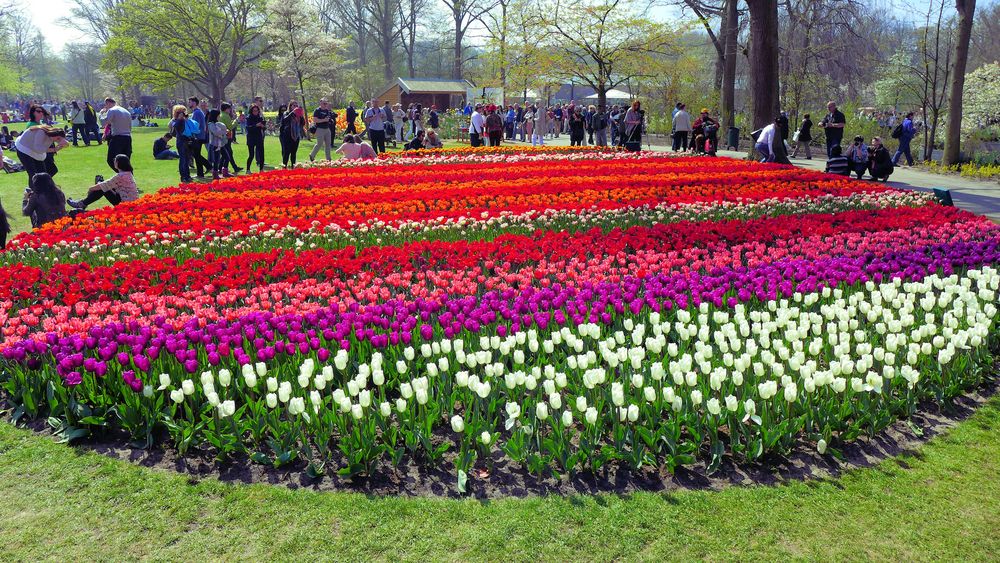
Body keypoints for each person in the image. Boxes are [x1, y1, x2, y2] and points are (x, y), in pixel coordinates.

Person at [14, 106, 68, 188]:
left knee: (43, 173)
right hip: (23, 149)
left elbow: (65, 143)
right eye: (57, 138)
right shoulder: (41, 132)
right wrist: (55, 149)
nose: (57, 140)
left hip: (35, 151)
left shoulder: (51, 135)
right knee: (33, 173)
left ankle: (43, 189)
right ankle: (33, 193)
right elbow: (38, 149)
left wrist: (63, 142)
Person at [69, 154, 138, 210]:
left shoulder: (121, 176)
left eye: (115, 161)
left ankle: (82, 204)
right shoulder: (128, 173)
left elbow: (105, 185)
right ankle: (83, 203)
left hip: (125, 204)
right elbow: (108, 184)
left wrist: (91, 188)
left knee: (101, 188)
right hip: (127, 200)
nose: (113, 162)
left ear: (118, 163)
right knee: (101, 184)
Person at [99, 97, 132, 172]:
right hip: (128, 138)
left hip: (117, 138)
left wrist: (101, 114)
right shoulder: (126, 111)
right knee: (125, 162)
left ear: (108, 103)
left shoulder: (112, 110)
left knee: (111, 160)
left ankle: (122, 175)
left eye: (106, 105)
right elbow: (130, 127)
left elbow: (104, 123)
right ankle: (128, 178)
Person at [187, 97, 211, 178]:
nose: (189, 103)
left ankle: (208, 166)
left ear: (194, 103)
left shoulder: (197, 113)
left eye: (190, 102)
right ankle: (201, 173)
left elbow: (195, 126)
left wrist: (190, 134)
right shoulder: (197, 112)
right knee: (196, 155)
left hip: (197, 137)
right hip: (199, 136)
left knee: (196, 154)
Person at [279, 101, 305, 168]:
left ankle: (293, 167)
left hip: (296, 136)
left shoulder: (298, 115)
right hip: (287, 135)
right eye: (294, 105)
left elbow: (303, 123)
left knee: (293, 153)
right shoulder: (286, 113)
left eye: (296, 106)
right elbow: (285, 120)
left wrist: (301, 115)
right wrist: (293, 112)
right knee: (286, 153)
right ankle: (284, 167)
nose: (295, 107)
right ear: (290, 106)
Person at [206, 109, 229, 179]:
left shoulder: (217, 123)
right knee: (216, 160)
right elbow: (216, 132)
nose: (219, 116)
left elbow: (220, 131)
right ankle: (215, 174)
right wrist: (224, 132)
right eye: (218, 115)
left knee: (227, 157)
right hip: (215, 144)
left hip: (221, 144)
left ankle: (225, 172)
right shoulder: (211, 124)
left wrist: (225, 132)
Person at [219, 103, 242, 174]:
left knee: (226, 153)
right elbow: (230, 127)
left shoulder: (221, 115)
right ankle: (224, 168)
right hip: (226, 136)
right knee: (228, 153)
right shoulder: (226, 116)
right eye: (229, 108)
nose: (230, 110)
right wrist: (236, 121)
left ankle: (222, 168)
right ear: (226, 109)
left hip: (223, 136)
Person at [245, 104, 266, 172]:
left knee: (261, 154)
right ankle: (248, 169)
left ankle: (261, 169)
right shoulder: (249, 118)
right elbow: (248, 128)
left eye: (257, 111)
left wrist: (263, 126)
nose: (255, 112)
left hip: (259, 137)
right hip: (251, 138)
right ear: (251, 111)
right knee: (251, 155)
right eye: (254, 111)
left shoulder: (260, 118)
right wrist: (256, 125)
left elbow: (264, 128)